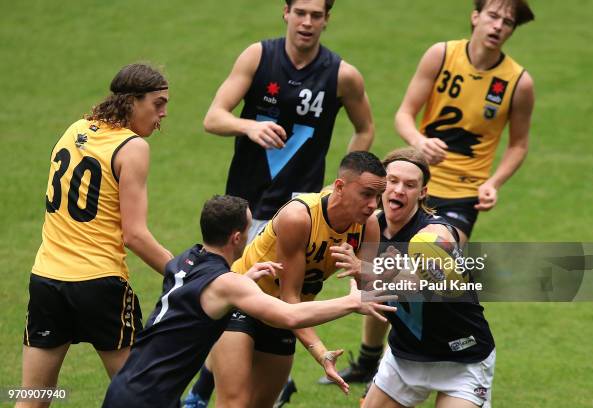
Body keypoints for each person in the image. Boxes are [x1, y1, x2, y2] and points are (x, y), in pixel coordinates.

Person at [329, 0, 536, 386]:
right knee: (381, 266)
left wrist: (494, 182)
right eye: (493, 16)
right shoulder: (441, 55)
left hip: (462, 195)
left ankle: (401, 363)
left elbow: (519, 144)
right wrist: (419, 142)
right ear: (476, 16)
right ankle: (370, 359)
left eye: (507, 22)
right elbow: (405, 113)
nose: (498, 26)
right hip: (412, 181)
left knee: (429, 269)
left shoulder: (517, 82)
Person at [102, 195, 395, 408]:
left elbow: (210, 288)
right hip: (148, 399)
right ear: (237, 237)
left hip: (130, 387)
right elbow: (288, 315)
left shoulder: (184, 261)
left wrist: (246, 278)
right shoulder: (228, 284)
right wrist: (352, 302)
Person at [18, 63, 174, 408]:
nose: (163, 114)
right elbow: (135, 235)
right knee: (139, 399)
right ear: (133, 101)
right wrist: (182, 272)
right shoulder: (132, 147)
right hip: (99, 286)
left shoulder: (75, 128)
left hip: (47, 282)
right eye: (158, 103)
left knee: (32, 398)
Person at [184, 151, 382, 408]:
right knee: (235, 402)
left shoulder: (369, 226)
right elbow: (289, 297)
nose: (373, 204)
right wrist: (321, 353)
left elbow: (372, 289)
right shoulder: (299, 218)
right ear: (340, 187)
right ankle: (201, 390)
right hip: (243, 301)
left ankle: (201, 388)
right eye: (366, 194)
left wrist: (361, 268)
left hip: (286, 319)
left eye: (379, 196)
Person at [202, 0, 374, 241]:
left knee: (290, 279)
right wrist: (249, 126)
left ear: (326, 20)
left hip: (298, 210)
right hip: (243, 204)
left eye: (315, 16)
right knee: (236, 277)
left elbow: (365, 129)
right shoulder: (258, 56)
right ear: (286, 13)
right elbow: (213, 118)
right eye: (300, 13)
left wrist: (344, 183)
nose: (307, 23)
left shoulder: (343, 75)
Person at [358, 147, 496, 408]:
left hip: (461, 358)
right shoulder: (369, 228)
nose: (399, 190)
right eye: (392, 181)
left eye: (410, 185)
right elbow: (367, 298)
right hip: (405, 357)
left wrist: (368, 272)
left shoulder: (436, 233)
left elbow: (424, 283)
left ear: (422, 193)